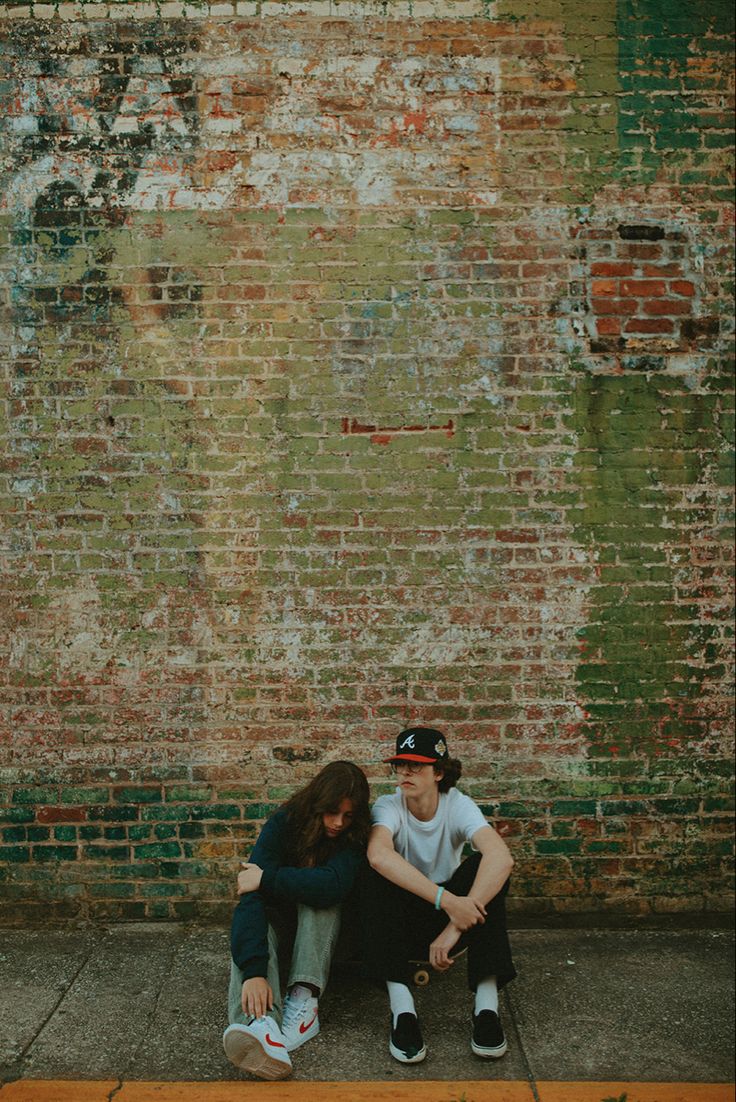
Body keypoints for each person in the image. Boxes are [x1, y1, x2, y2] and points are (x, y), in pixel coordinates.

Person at [362, 726, 516, 1064]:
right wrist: (447, 902)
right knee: (375, 874)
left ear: (439, 772)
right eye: (400, 764)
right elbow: (378, 855)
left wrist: (454, 925)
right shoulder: (388, 806)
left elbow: (501, 856)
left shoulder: (457, 805)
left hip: (455, 921)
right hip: (406, 918)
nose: (405, 772)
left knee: (487, 868)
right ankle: (403, 1011)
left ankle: (486, 1008)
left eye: (415, 766)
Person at [223, 760, 370, 1080]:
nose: (338, 823)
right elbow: (251, 896)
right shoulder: (284, 823)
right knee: (251, 927)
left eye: (347, 815)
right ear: (318, 804)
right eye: (332, 812)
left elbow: (333, 885)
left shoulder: (355, 837)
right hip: (283, 933)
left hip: (328, 942)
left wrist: (267, 878)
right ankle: (261, 1028)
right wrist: (254, 972)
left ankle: (304, 1005)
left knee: (320, 898)